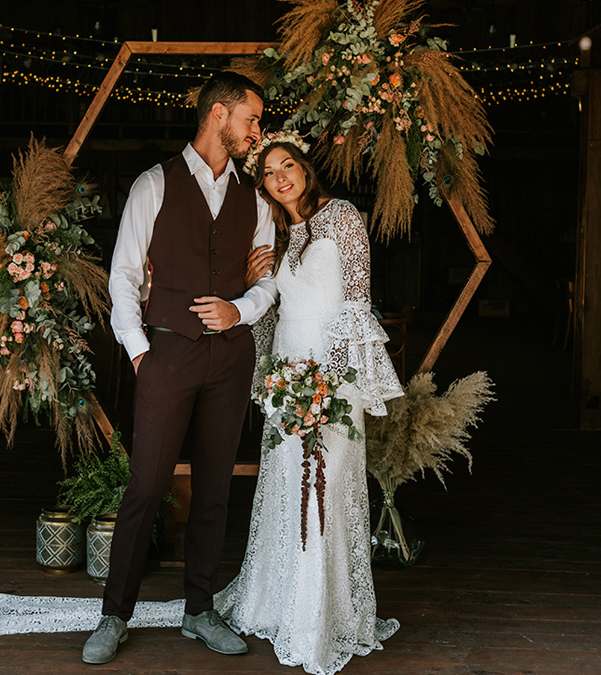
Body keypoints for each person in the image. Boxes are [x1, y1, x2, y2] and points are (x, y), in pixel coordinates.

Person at [82, 71, 277, 665]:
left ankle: (199, 608)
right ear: (220, 115)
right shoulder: (154, 184)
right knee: (146, 484)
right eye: (252, 118)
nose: (257, 131)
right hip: (166, 351)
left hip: (231, 359)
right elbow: (121, 275)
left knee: (215, 485)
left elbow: (268, 278)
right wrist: (140, 350)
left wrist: (238, 309)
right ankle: (115, 614)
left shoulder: (256, 195)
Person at [212, 134, 404, 675]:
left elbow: (356, 299)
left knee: (327, 492)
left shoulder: (343, 216)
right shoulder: (274, 234)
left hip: (332, 378)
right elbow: (273, 310)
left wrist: (331, 383)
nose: (280, 177)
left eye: (287, 165)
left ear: (304, 168)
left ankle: (323, 620)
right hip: (288, 374)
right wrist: (255, 283)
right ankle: (281, 606)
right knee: (288, 489)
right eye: (269, 172)